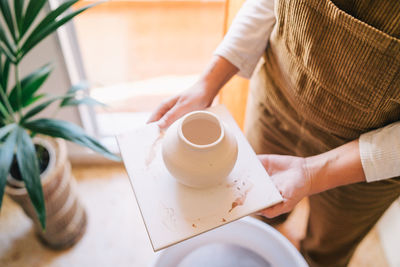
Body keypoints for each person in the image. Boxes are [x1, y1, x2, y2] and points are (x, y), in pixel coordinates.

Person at [148, 0, 400, 266]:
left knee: (327, 249)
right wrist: (208, 82)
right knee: (259, 210)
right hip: (276, 101)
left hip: (366, 156)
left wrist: (312, 173)